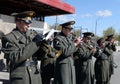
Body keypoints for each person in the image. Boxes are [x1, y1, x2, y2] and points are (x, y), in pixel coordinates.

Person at [1, 11, 43, 84]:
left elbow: (38, 56)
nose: (29, 25)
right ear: (18, 23)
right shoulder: (8, 38)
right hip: (21, 78)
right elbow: (15, 57)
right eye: (26, 22)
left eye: (29, 23)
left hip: (35, 75)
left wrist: (43, 47)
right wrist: (34, 43)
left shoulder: (32, 35)